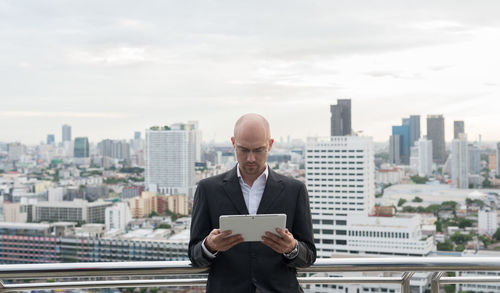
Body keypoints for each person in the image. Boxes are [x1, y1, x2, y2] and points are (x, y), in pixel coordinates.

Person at [189, 113, 316, 293]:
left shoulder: (294, 190)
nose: (250, 159)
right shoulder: (207, 189)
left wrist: (291, 248)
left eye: (258, 150)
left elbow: (309, 255)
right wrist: (209, 246)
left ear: (270, 145)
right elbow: (194, 255)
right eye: (243, 149)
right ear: (233, 143)